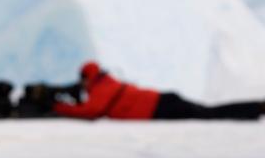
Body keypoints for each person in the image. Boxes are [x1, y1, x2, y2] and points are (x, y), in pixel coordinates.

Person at [53, 61, 264, 120]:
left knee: (209, 114)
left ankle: (254, 108)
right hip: (162, 102)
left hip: (160, 107)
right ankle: (254, 108)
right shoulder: (104, 83)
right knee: (208, 112)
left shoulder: (102, 88)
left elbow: (92, 111)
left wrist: (59, 107)